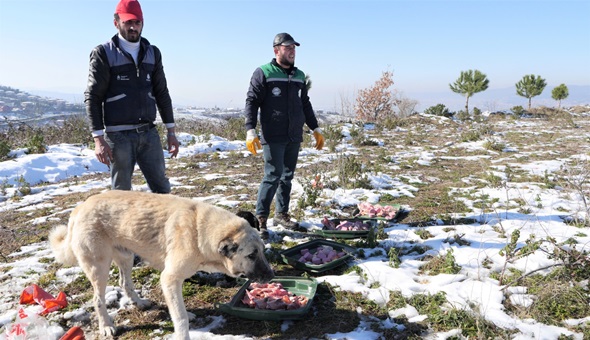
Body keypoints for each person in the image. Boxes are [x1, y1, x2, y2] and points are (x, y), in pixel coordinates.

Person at [85, 0, 179, 194]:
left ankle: (161, 225)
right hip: (118, 137)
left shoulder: (152, 53)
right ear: (116, 22)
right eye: (127, 22)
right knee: (121, 195)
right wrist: (98, 139)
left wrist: (171, 131)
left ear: (142, 23)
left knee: (162, 190)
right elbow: (93, 97)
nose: (133, 27)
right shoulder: (103, 53)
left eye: (137, 22)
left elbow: (162, 92)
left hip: (148, 133)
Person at [244, 32, 325, 239]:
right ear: (276, 50)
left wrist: (315, 128)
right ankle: (261, 219)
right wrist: (250, 130)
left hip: (294, 135)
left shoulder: (299, 76)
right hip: (273, 134)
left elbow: (304, 103)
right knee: (273, 175)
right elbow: (252, 101)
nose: (292, 51)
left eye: (294, 48)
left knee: (287, 176)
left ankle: (282, 214)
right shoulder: (264, 72)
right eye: (287, 47)